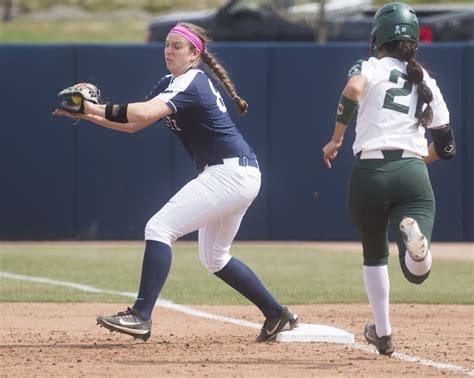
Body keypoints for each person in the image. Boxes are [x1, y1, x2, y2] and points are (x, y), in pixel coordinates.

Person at [53, 22, 298, 342]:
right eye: (167, 44)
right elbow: (133, 124)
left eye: (177, 46)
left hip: (229, 174)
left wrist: (91, 106)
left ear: (195, 53)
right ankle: (276, 314)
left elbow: (142, 112)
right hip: (239, 174)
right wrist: (88, 116)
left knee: (159, 228)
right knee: (214, 257)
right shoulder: (171, 83)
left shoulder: (193, 81)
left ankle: (141, 316)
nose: (168, 50)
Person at [322, 2, 455, 356]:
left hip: (368, 171)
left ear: (377, 35)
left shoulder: (371, 66)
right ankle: (418, 245)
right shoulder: (426, 80)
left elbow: (352, 91)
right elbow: (446, 145)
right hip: (411, 171)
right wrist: (415, 163)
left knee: (374, 253)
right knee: (416, 273)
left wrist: (335, 140)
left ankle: (383, 333)